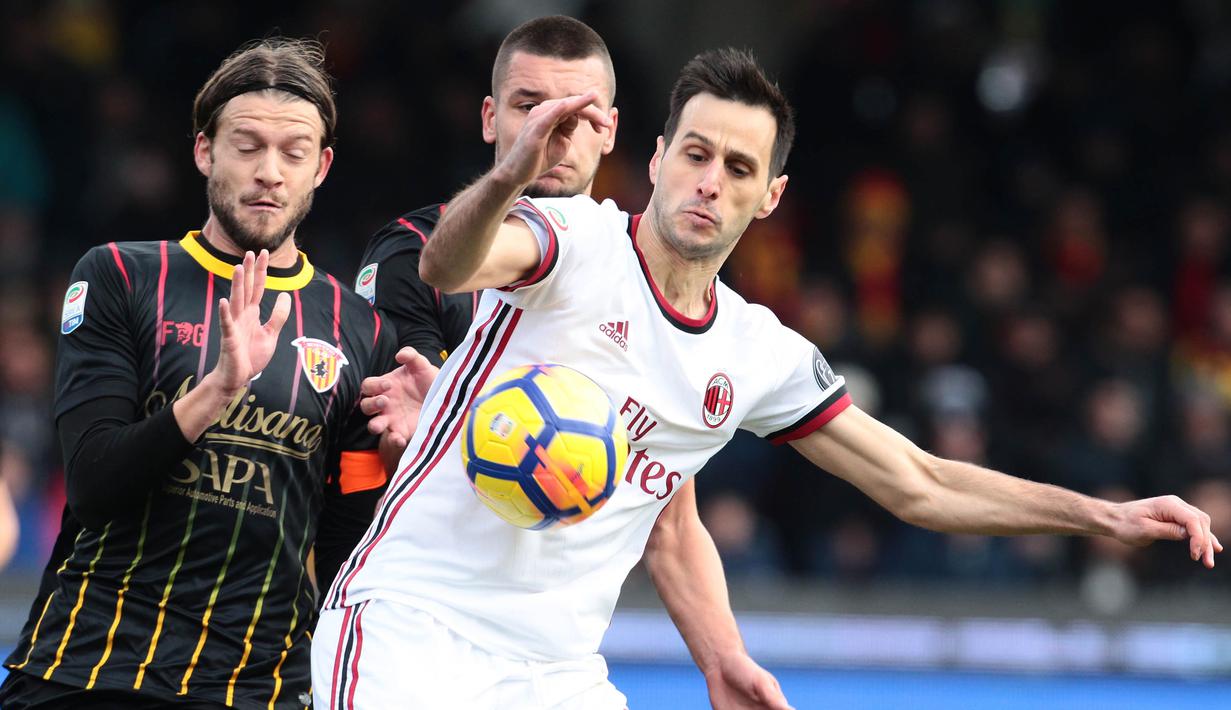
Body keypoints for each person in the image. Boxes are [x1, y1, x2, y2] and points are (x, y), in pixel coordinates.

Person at [314, 48, 1221, 708]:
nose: (710, 182)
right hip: (411, 627)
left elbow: (918, 482)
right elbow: (446, 265)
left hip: (554, 671)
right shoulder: (572, 240)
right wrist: (512, 176)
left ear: (770, 196)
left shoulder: (755, 356)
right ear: (660, 156)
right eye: (697, 155)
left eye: (739, 168)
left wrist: (1099, 513)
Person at [355, 16, 788, 709]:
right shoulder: (418, 250)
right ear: (492, 119)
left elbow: (669, 512)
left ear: (611, 132)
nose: (552, 133)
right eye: (531, 108)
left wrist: (723, 656)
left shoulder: (636, 277)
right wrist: (445, 414)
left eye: (576, 114)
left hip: (546, 657)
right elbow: (383, 423)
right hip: (418, 624)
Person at [1, 39, 396, 709]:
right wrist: (216, 390)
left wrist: (409, 456)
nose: (270, 171)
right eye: (247, 146)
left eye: (293, 152)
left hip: (259, 686)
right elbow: (94, 482)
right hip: (91, 670)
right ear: (204, 151)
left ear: (321, 166)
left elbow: (344, 534)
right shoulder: (120, 275)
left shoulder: (361, 328)